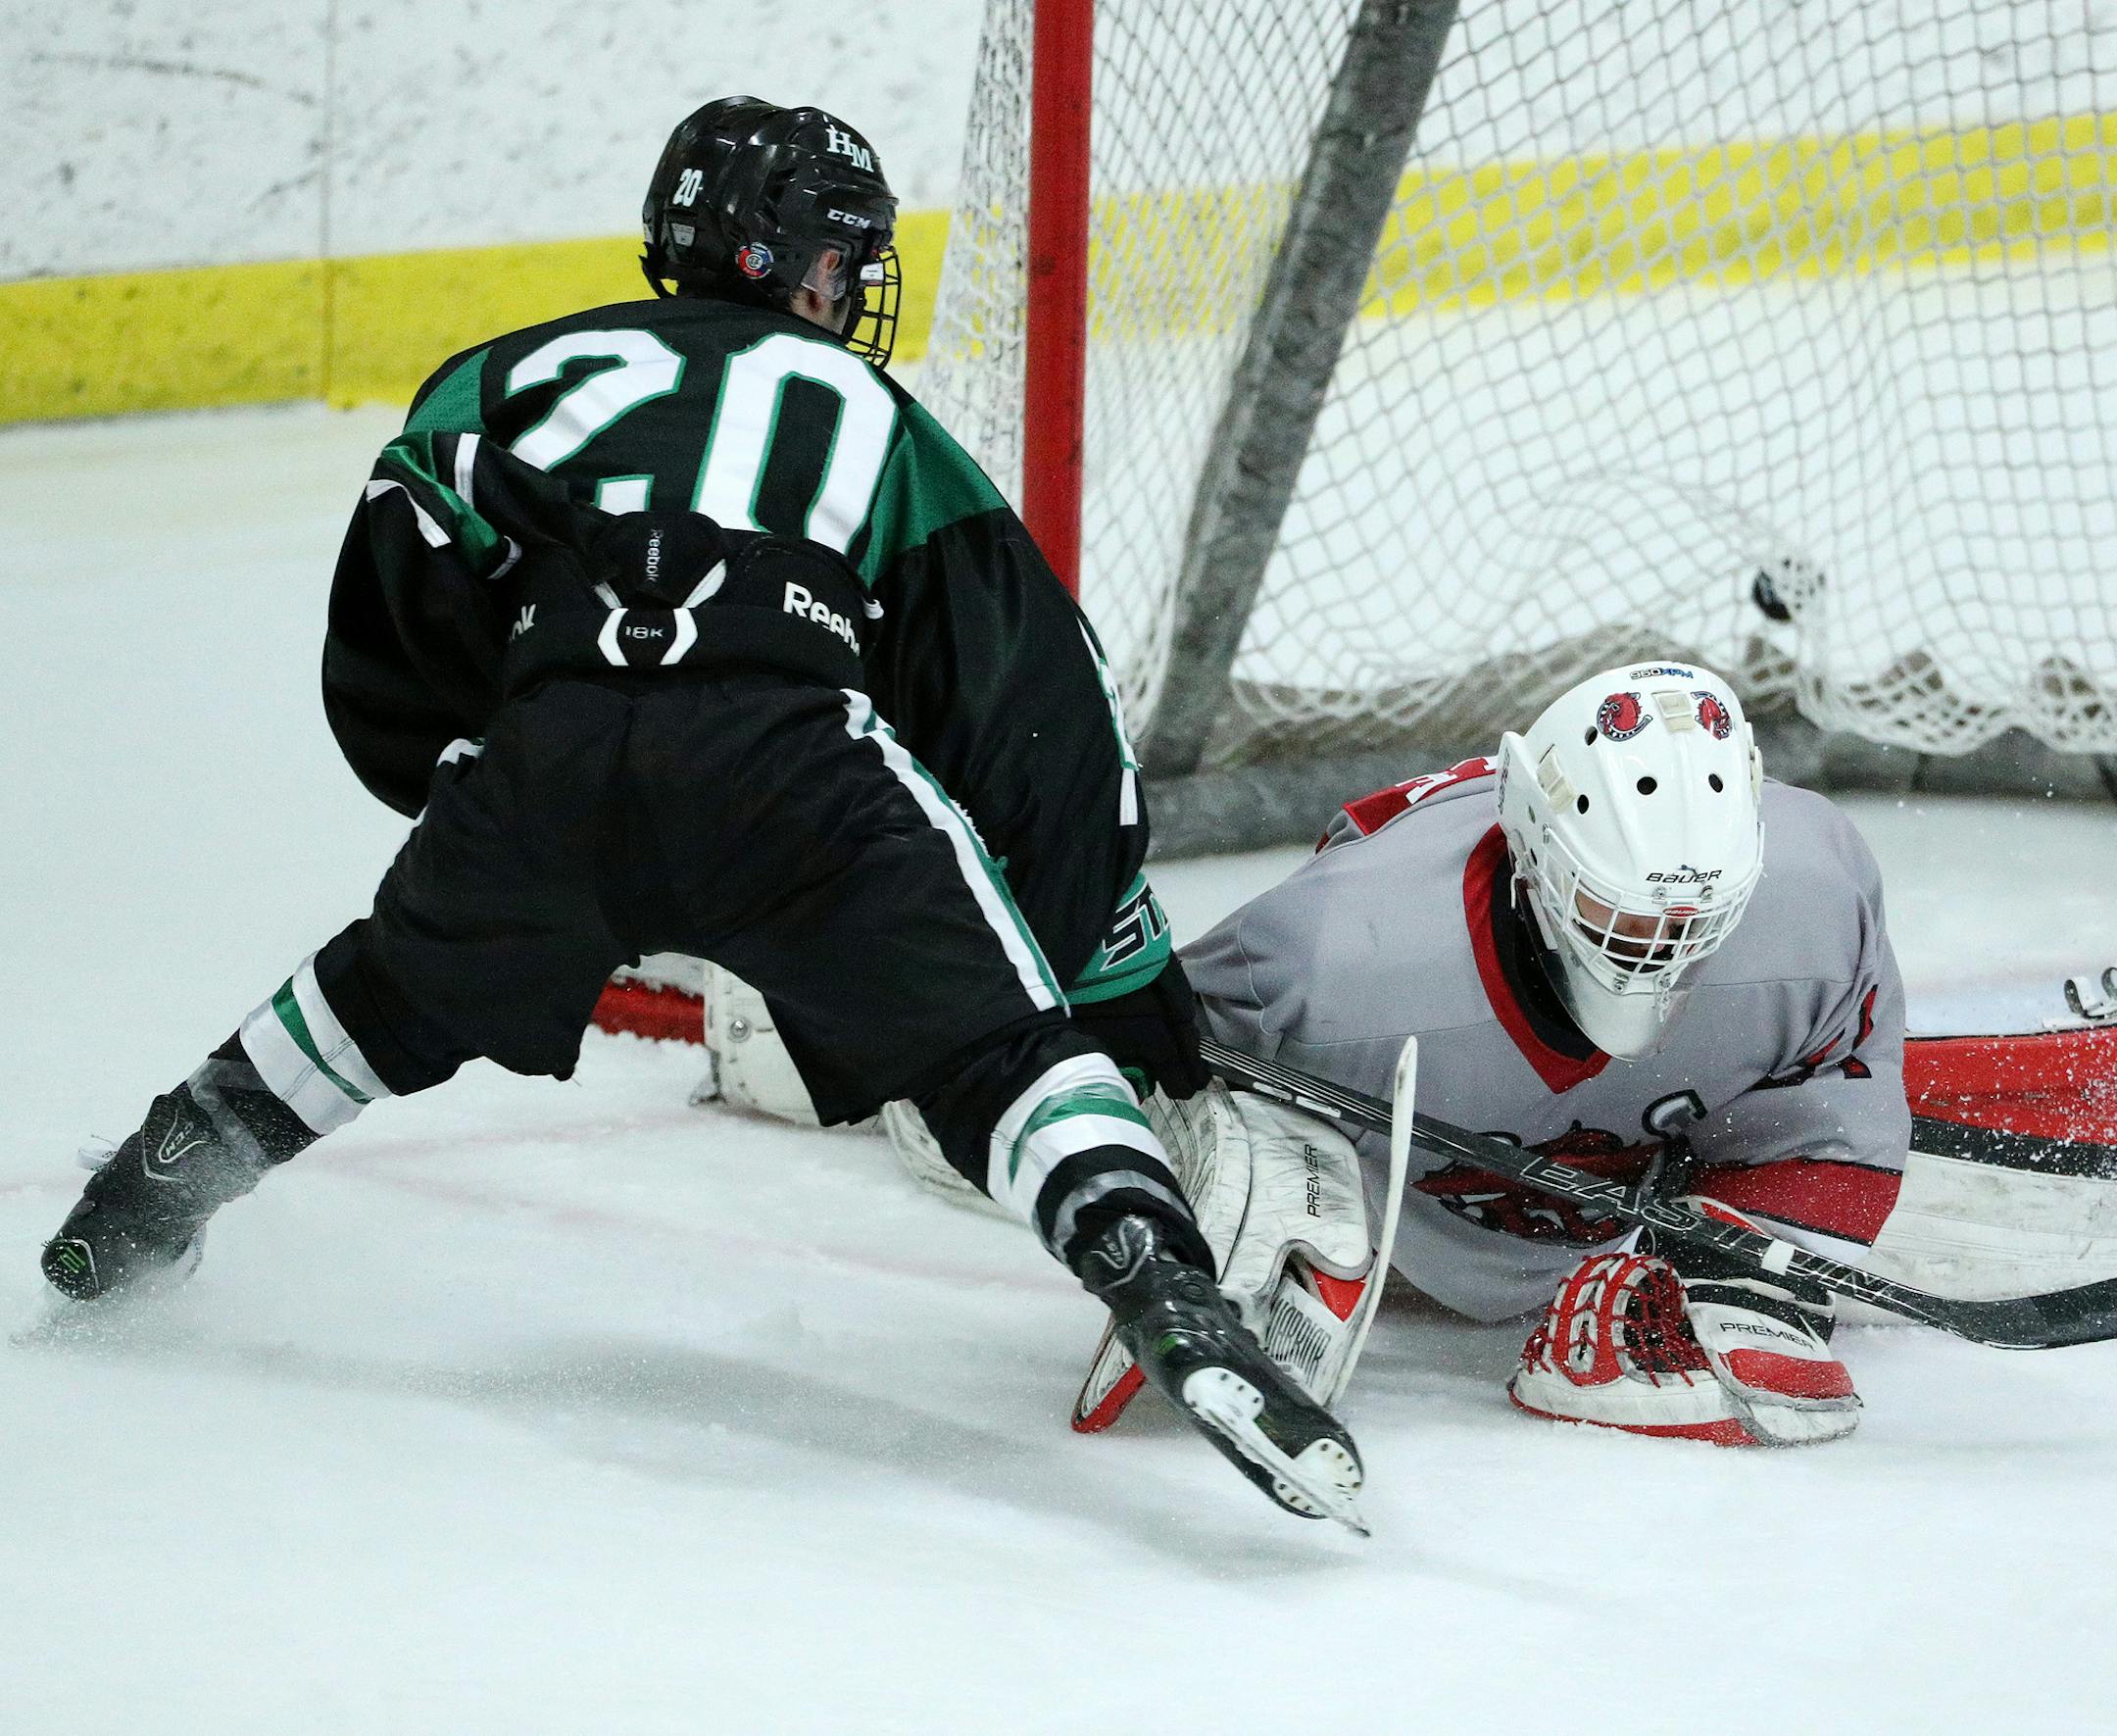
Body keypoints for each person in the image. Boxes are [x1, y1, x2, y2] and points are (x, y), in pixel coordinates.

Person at [38, 97, 1364, 1528]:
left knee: (385, 991)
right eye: (843, 259)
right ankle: (1164, 1283)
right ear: (787, 258)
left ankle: (145, 1194)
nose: (850, 290)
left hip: (543, 755)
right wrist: (1101, 963)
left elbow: (398, 570)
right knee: (1001, 1058)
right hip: (789, 758)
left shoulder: (509, 375)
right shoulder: (878, 424)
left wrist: (474, 780)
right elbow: (1040, 708)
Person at [1174, 661, 1907, 1447]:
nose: (1664, 952)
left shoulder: (1813, 895)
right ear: (1537, 856)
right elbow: (1160, 1059)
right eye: (1623, 912)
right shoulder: (1326, 963)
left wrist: (1760, 1236)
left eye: (1705, 915)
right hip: (1407, 1248)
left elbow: (1837, 1075)